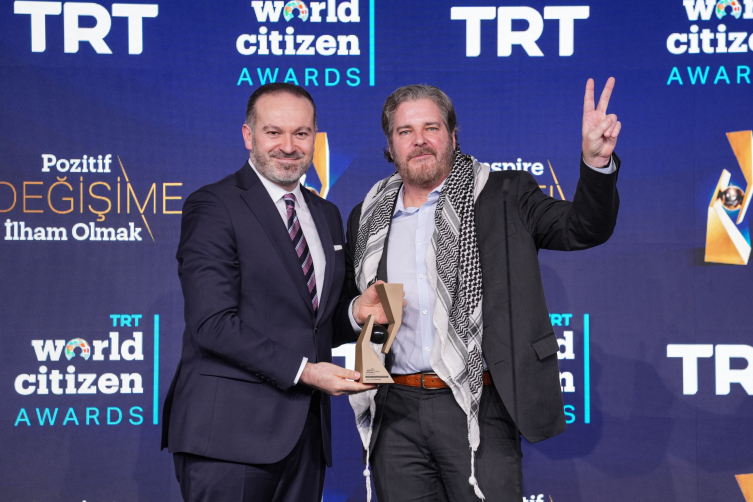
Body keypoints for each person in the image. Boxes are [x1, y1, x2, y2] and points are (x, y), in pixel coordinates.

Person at [336, 79, 621, 501]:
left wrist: (596, 163)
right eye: (405, 131)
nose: (419, 140)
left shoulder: (506, 195)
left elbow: (583, 228)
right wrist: (357, 310)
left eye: (431, 128)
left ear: (453, 136)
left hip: (479, 403)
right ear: (391, 146)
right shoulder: (367, 214)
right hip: (394, 410)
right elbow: (347, 307)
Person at [160, 82, 385, 502]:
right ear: (248, 135)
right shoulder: (214, 205)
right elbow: (212, 324)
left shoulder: (326, 213)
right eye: (273, 132)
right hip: (228, 438)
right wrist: (306, 372)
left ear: (315, 138)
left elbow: (313, 322)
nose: (288, 146)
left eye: (301, 133)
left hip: (305, 440)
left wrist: (356, 312)